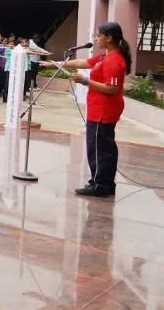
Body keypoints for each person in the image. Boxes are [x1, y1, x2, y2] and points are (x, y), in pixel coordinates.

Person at [42, 21, 132, 198]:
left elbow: (112, 88)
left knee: (99, 148)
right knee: (99, 146)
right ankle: (102, 182)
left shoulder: (114, 60)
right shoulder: (105, 56)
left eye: (99, 35)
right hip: (97, 110)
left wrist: (86, 81)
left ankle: (101, 185)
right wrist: (56, 64)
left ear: (109, 38)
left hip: (104, 111)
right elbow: (82, 62)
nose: (96, 38)